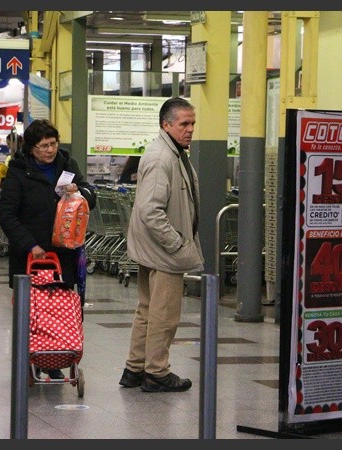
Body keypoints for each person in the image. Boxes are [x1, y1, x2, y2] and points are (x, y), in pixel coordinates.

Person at [0, 119, 96, 380]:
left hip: (63, 254)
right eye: (43, 146)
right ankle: (33, 356)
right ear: (31, 148)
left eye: (53, 144)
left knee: (60, 310)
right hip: (30, 256)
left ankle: (54, 355)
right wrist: (31, 244)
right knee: (33, 312)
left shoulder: (68, 165)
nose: (50, 150)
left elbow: (90, 195)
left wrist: (81, 192)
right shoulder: (18, 172)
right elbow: (7, 214)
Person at [119, 97, 204, 393]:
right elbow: (150, 210)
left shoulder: (173, 153)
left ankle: (135, 368)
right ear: (166, 125)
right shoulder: (162, 157)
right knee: (164, 314)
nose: (190, 129)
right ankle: (156, 372)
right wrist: (177, 244)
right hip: (163, 251)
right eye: (184, 124)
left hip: (152, 249)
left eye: (193, 123)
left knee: (147, 309)